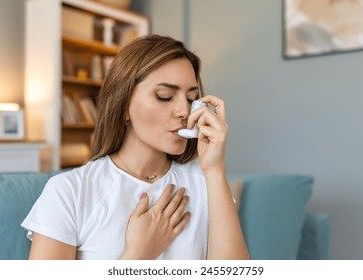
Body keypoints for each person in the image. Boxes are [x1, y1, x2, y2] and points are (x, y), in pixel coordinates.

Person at [21, 34, 250, 260]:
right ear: (122, 105)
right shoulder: (69, 191)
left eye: (191, 99)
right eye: (165, 96)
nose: (184, 110)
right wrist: (139, 254)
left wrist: (214, 170)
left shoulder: (207, 183)